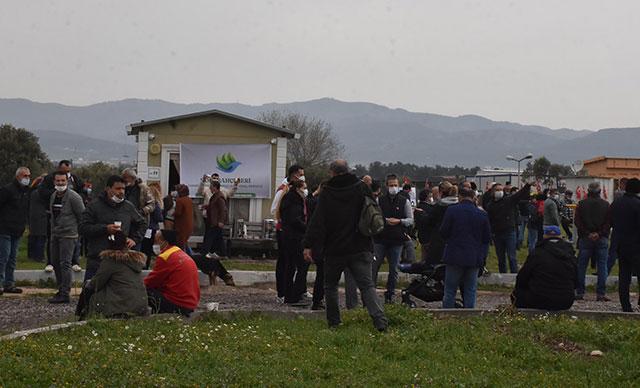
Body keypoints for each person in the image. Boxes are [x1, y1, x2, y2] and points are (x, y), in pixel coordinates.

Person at [303, 160, 388, 331]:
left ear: (332, 172)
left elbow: (318, 220)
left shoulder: (328, 192)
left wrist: (308, 245)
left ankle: (334, 323)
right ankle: (380, 321)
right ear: (348, 170)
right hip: (360, 245)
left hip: (335, 248)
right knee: (367, 286)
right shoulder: (361, 187)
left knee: (331, 286)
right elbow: (374, 211)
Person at [79, 175, 146, 281]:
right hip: (98, 258)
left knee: (117, 293)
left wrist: (134, 239)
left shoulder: (128, 206)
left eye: (123, 188)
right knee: (92, 291)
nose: (121, 192)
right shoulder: (94, 206)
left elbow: (142, 223)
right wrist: (105, 228)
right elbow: (83, 227)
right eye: (118, 188)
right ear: (108, 189)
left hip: (121, 258)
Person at [440, 188, 491, 309]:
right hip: (474, 257)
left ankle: (447, 315)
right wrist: (482, 257)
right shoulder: (482, 214)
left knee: (450, 290)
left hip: (454, 256)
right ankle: (469, 316)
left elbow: (443, 232)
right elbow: (486, 238)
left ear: (460, 197)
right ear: (473, 197)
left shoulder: (452, 210)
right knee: (470, 289)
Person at [81, 231, 149, 318]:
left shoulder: (111, 261)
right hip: (140, 305)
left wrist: (88, 284)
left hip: (120, 305)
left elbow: (96, 283)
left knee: (89, 290)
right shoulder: (135, 261)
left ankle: (83, 316)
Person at [512, 226, 577, 310]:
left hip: (540, 298)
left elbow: (523, 277)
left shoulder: (537, 253)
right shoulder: (570, 254)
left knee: (516, 295)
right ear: (560, 236)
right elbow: (576, 278)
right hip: (565, 300)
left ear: (544, 236)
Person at [372, 174, 414, 304]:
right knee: (374, 266)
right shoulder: (380, 201)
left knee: (393, 269)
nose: (393, 187)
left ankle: (390, 293)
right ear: (386, 186)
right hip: (380, 239)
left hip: (397, 240)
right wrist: (385, 221)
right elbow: (374, 217)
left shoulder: (404, 201)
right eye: (391, 185)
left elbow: (410, 220)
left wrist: (399, 221)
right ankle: (370, 293)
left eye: (395, 185)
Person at [48, 172, 85, 303]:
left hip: (69, 235)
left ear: (67, 181)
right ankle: (60, 288)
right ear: (54, 182)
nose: (60, 183)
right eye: (58, 181)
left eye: (63, 181)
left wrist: (78, 233)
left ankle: (65, 293)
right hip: (56, 233)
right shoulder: (53, 196)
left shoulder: (74, 197)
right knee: (55, 262)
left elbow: (82, 216)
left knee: (65, 263)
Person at [145, 230, 200, 316]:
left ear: (165, 242)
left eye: (157, 241)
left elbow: (150, 282)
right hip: (191, 302)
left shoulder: (165, 257)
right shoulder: (181, 253)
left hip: (178, 303)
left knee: (142, 291)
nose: (155, 244)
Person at [270, 164, 305, 303]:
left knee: (292, 264)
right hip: (284, 230)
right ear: (293, 175)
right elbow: (275, 209)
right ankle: (282, 292)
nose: (302, 177)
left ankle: (296, 290)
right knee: (285, 262)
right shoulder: (284, 190)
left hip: (294, 231)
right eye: (300, 174)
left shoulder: (299, 189)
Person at [574, 182, 611, 301]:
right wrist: (599, 233)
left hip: (585, 238)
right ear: (600, 191)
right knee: (602, 266)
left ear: (588, 192)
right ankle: (601, 293)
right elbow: (608, 222)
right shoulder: (606, 205)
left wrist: (587, 233)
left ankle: (580, 292)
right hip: (602, 239)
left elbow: (577, 222)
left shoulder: (581, 204)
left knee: (581, 266)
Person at [486, 182, 531, 273]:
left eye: (501, 190)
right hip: (497, 233)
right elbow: (489, 220)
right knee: (501, 258)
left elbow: (519, 194)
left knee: (512, 257)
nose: (500, 192)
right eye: (497, 190)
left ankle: (514, 276)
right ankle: (503, 276)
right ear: (493, 192)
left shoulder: (508, 200)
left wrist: (527, 185)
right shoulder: (490, 205)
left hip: (509, 232)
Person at [609, 178, 640, 312]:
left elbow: (611, 221)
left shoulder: (616, 203)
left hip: (621, 245)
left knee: (624, 276)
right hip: (636, 245)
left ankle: (625, 305)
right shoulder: (638, 204)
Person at [0, 167, 31, 295]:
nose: (27, 178)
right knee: (3, 257)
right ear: (18, 176)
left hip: (17, 230)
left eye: (29, 176)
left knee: (12, 258)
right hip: (4, 229)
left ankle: (9, 283)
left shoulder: (25, 192)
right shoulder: (7, 190)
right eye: (25, 176)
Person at [279, 180, 310, 306]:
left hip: (287, 236)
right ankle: (295, 295)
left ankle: (289, 294)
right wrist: (307, 228)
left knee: (290, 266)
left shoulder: (287, 198)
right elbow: (295, 220)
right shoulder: (295, 201)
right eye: (304, 188)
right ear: (298, 188)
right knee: (301, 266)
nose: (305, 191)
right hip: (295, 238)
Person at [306, 182, 325, 310]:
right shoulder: (324, 204)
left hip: (318, 243)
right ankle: (319, 299)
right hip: (324, 243)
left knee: (321, 274)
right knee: (324, 275)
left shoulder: (314, 202)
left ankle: (317, 300)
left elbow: (308, 201)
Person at [142, 182, 164, 268]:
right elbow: (159, 218)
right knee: (148, 249)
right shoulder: (156, 204)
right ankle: (146, 266)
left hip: (145, 228)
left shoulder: (144, 203)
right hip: (152, 228)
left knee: (144, 248)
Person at [203, 181, 228, 259]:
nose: (210, 188)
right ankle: (223, 253)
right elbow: (213, 207)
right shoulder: (215, 196)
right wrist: (206, 207)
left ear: (215, 187)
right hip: (213, 221)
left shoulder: (219, 197)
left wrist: (221, 221)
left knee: (209, 237)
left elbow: (223, 209)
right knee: (218, 238)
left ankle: (205, 252)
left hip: (216, 222)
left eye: (211, 186)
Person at [28, 175, 48, 262]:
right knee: (41, 237)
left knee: (33, 236)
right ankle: (39, 256)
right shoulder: (41, 192)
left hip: (33, 216)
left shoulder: (33, 191)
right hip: (41, 216)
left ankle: (31, 255)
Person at [173, 184, 194, 251]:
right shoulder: (189, 200)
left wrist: (172, 213)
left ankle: (184, 257)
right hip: (189, 225)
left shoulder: (180, 201)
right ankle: (190, 255)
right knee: (185, 242)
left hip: (181, 226)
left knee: (180, 243)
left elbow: (178, 213)